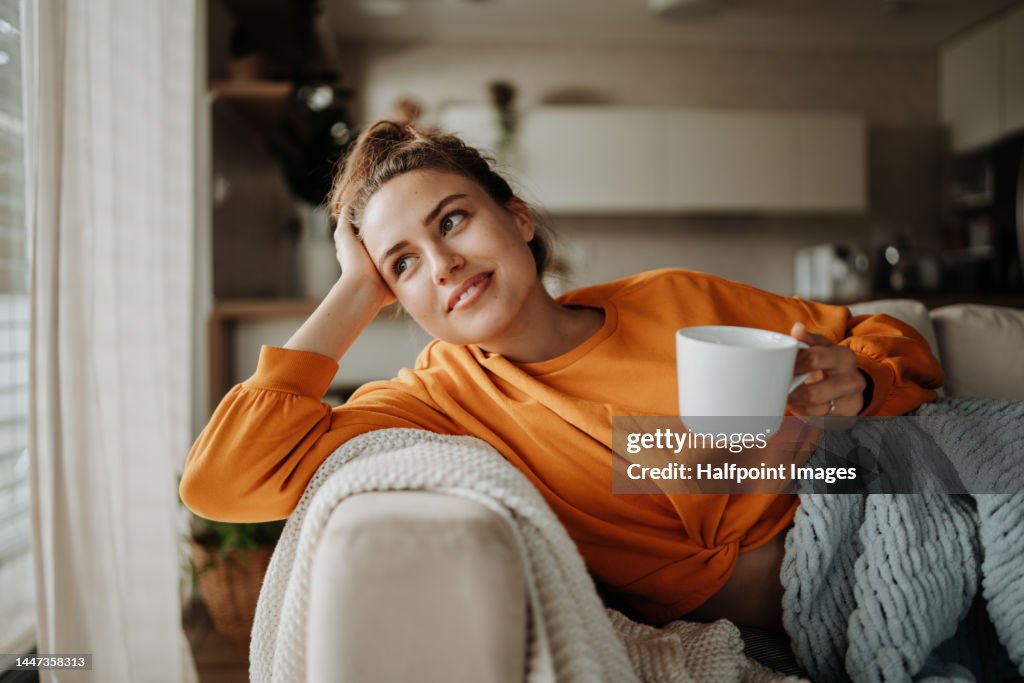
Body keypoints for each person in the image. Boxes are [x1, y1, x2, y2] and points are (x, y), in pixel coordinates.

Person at [180, 121, 943, 633]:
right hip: (784, 625)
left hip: (875, 528)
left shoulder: (674, 298)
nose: (442, 263)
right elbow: (221, 479)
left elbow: (889, 337)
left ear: (516, 219)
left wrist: (864, 382)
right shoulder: (438, 399)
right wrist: (351, 292)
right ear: (392, 297)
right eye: (402, 264)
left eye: (451, 220)